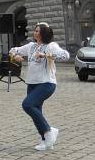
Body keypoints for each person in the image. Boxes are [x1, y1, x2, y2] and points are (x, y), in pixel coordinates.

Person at [9, 22, 70, 151]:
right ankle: (45, 141)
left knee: (27, 105)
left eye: (37, 31)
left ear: (43, 34)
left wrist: (46, 55)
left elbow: (65, 55)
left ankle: (49, 131)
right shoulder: (31, 46)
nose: (35, 32)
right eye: (35, 30)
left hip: (46, 83)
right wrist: (15, 56)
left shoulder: (51, 46)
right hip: (32, 83)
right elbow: (13, 50)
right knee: (37, 111)